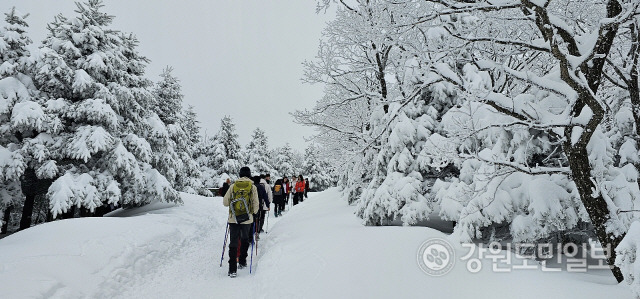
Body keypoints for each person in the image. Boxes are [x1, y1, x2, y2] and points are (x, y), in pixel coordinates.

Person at [223, 167, 259, 278]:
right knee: (245, 239)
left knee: (233, 242)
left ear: (239, 175)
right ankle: (243, 261)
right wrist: (253, 213)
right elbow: (256, 204)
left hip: (234, 218)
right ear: (249, 175)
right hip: (247, 218)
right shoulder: (252, 187)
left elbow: (225, 202)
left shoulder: (233, 186)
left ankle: (232, 269)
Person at [252, 176, 268, 240]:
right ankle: (257, 233)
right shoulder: (261, 187)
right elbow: (265, 196)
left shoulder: (252, 187)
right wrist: (267, 204)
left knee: (251, 220)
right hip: (259, 205)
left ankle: (251, 233)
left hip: (251, 205)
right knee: (257, 219)